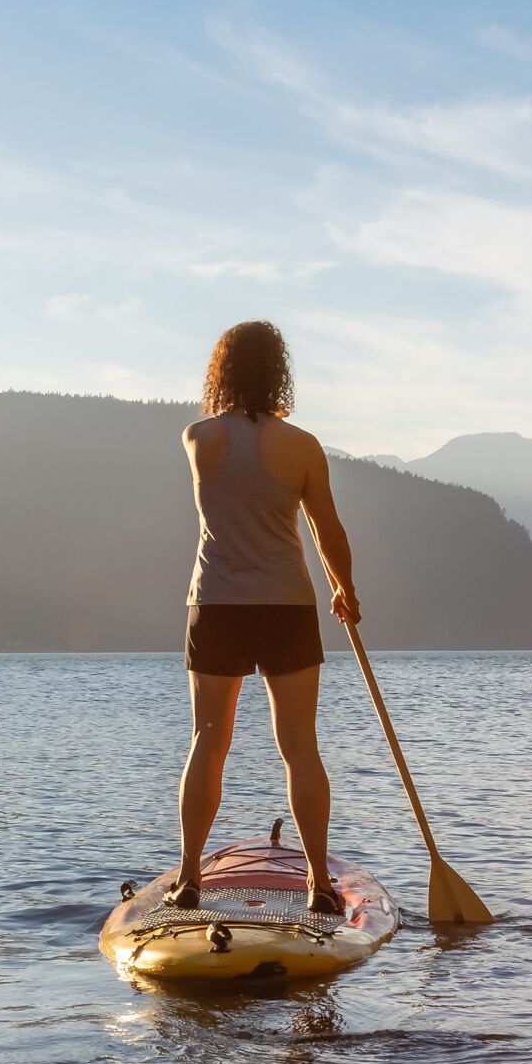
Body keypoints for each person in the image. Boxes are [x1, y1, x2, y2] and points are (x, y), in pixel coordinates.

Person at [169, 319, 358, 915]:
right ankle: (318, 884)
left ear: (221, 371)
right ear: (278, 371)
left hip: (218, 603)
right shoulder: (301, 446)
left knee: (208, 741)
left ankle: (191, 876)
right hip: (286, 604)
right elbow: (328, 530)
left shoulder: (197, 438)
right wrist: (344, 589)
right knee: (301, 746)